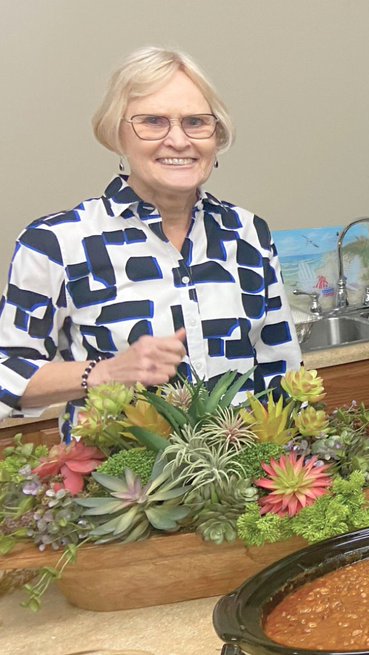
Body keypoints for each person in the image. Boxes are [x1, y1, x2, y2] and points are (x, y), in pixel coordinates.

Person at [0, 46, 302, 440]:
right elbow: (6, 374)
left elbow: (282, 371)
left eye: (195, 122)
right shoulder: (56, 243)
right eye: (153, 121)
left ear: (216, 137)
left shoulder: (247, 233)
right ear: (117, 134)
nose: (178, 140)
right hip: (119, 475)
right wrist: (105, 372)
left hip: (241, 473)